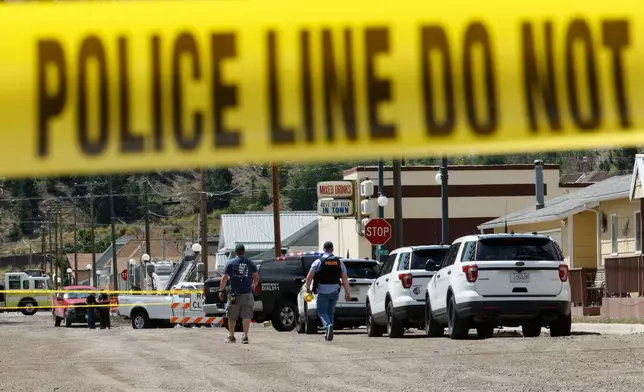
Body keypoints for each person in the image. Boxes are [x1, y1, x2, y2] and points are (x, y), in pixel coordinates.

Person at [305, 241, 351, 342]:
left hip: (322, 291)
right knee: (331, 312)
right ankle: (329, 332)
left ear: (324, 249)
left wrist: (308, 289)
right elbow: (344, 278)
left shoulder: (318, 262)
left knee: (322, 312)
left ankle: (327, 326)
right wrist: (348, 293)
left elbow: (309, 277)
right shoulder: (340, 262)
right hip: (335, 291)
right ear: (332, 249)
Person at [219, 243, 259, 344]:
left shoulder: (230, 263)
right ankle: (245, 337)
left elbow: (224, 278)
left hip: (234, 295)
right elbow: (256, 277)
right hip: (247, 294)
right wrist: (253, 286)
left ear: (235, 252)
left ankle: (231, 336)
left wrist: (221, 290)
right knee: (246, 315)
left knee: (232, 315)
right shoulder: (250, 263)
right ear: (244, 252)